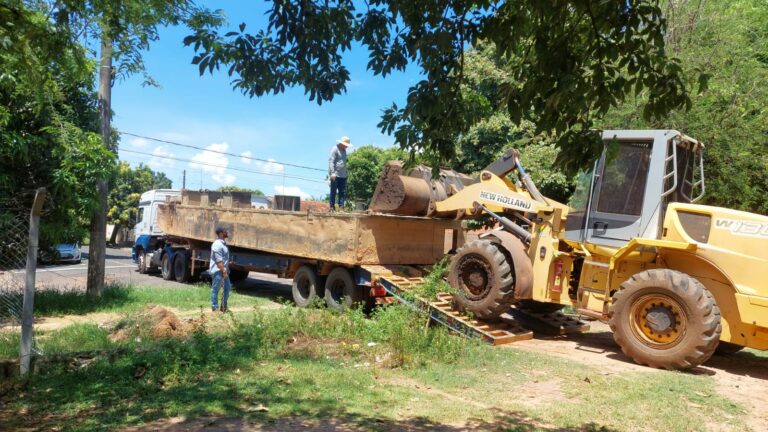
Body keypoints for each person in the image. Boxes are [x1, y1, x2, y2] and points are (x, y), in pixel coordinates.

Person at [210, 226, 231, 312]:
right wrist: (224, 271)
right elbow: (219, 261)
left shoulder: (223, 244)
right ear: (221, 234)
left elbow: (224, 259)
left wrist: (226, 269)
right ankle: (215, 307)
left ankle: (223, 306)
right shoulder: (217, 244)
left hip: (223, 270)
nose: (227, 232)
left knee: (227, 288)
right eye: (225, 231)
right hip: (218, 271)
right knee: (216, 289)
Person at [328, 136, 352, 211]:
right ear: (342, 143)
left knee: (342, 192)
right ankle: (331, 207)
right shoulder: (335, 149)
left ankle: (341, 207)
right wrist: (332, 173)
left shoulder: (344, 151)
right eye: (346, 145)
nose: (347, 147)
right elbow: (331, 161)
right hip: (335, 175)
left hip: (343, 176)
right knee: (333, 192)